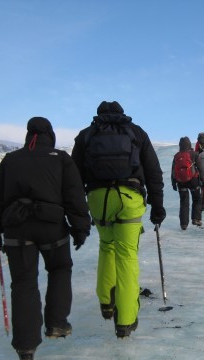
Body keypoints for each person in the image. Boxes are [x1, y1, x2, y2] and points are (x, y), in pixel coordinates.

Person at [0, 117, 91, 360]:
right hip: (52, 228)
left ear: (28, 135)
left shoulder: (10, 160)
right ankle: (57, 324)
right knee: (60, 269)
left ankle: (26, 347)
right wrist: (80, 228)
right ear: (50, 134)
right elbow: (74, 195)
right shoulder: (61, 159)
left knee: (23, 284)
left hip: (17, 231)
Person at [71, 101, 166, 338]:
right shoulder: (136, 132)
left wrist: (78, 210)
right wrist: (158, 206)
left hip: (97, 198)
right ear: (122, 114)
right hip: (129, 197)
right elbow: (153, 171)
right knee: (127, 256)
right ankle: (125, 320)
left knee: (106, 246)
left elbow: (73, 177)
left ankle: (106, 301)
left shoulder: (86, 135)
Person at [171, 136, 204, 229]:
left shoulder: (177, 156)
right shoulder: (194, 154)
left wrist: (173, 182)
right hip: (193, 180)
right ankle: (196, 219)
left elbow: (173, 170)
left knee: (184, 202)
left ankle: (183, 224)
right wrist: (202, 180)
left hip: (181, 182)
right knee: (197, 199)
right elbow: (200, 168)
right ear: (189, 144)